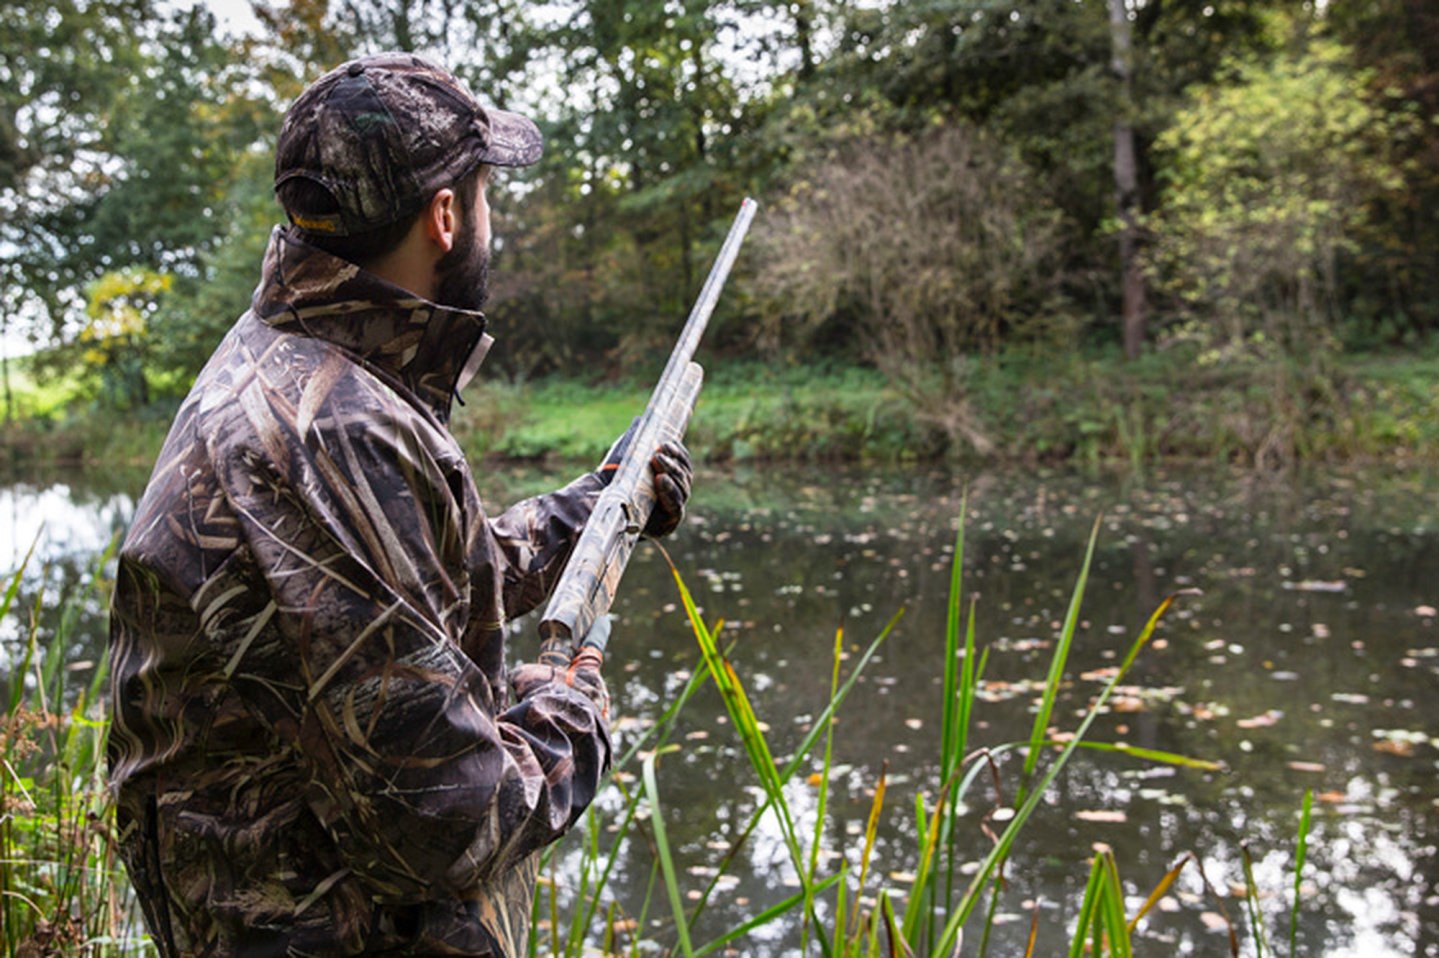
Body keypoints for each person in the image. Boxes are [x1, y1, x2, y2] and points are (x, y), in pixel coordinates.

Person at [106, 52, 691, 957]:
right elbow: (446, 822)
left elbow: (399, 593)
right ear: (446, 216)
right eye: (485, 192)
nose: (490, 218)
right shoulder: (338, 428)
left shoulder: (286, 355)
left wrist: (601, 507)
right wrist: (568, 710)